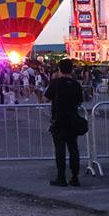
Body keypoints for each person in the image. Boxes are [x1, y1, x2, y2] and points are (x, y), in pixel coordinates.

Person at [45, 59, 84, 187]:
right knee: (73, 149)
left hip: (59, 120)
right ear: (72, 69)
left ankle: (61, 177)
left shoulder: (55, 83)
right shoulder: (76, 84)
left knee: (60, 150)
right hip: (73, 119)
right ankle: (75, 177)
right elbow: (80, 101)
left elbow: (46, 98)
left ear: (59, 69)